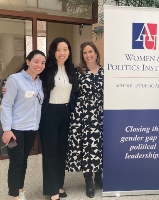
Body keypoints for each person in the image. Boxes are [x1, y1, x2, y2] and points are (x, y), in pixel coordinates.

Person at [1, 50, 46, 200]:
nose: (39, 65)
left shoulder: (39, 82)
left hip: (32, 128)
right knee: (16, 163)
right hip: (16, 129)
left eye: (42, 62)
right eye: (36, 61)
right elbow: (6, 105)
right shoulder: (15, 79)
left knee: (24, 160)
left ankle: (20, 190)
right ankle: (14, 196)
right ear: (28, 61)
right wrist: (7, 129)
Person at [39, 37, 78, 200]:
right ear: (53, 52)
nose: (62, 53)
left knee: (62, 150)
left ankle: (59, 185)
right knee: (50, 152)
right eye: (58, 49)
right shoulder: (46, 70)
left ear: (69, 51)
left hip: (66, 113)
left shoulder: (72, 70)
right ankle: (51, 189)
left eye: (65, 49)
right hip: (49, 114)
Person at [66, 41, 103, 198]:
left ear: (96, 53)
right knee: (87, 147)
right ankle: (88, 180)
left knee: (101, 145)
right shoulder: (77, 72)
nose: (88, 55)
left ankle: (99, 177)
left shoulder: (105, 71)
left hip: (101, 114)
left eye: (90, 51)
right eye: (84, 53)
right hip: (83, 115)